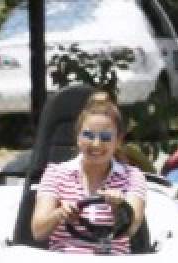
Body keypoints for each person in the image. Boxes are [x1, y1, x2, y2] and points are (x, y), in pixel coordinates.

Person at [31, 91, 148, 254]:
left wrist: (118, 207)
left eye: (106, 137)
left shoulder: (133, 177)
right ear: (78, 138)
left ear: (118, 141)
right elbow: (38, 231)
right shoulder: (55, 173)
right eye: (88, 135)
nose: (96, 144)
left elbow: (131, 229)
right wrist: (59, 214)